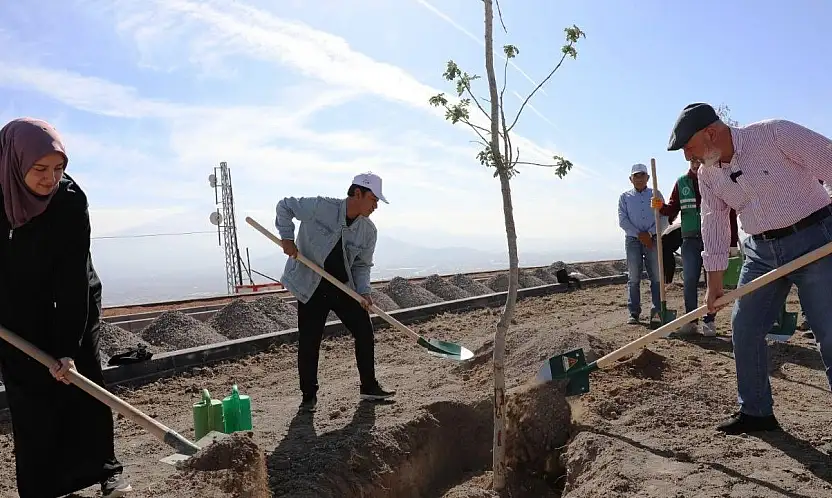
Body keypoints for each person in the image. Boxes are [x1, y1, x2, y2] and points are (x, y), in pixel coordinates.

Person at [667, 102, 832, 435]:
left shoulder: (774, 134)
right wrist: (714, 284)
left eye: (689, 148)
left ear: (710, 132)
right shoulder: (707, 174)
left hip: (815, 240)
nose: (689, 158)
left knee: (829, 333)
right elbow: (713, 226)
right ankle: (756, 412)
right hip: (760, 252)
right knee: (744, 327)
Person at [0, 118, 131, 497]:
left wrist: (67, 349)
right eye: (39, 169)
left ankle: (106, 470)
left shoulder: (70, 201)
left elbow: (73, 280)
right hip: (14, 299)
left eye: (58, 169)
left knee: (83, 379)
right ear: (14, 162)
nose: (50, 179)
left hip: (70, 294)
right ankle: (42, 486)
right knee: (28, 392)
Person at [275, 172, 395, 412]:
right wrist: (287, 237)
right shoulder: (321, 207)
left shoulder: (368, 231)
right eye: (373, 199)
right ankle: (308, 396)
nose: (376, 206)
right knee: (310, 340)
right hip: (312, 284)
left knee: (364, 330)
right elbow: (285, 206)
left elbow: (361, 265)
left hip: (343, 286)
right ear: (357, 193)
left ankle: (369, 387)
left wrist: (363, 291)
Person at [651, 160, 740, 336]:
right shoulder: (682, 182)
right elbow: (672, 209)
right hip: (690, 239)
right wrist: (660, 207)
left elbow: (729, 212)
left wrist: (732, 242)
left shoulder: (716, 180)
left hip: (713, 238)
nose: (695, 164)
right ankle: (691, 321)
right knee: (690, 281)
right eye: (693, 161)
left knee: (712, 283)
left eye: (699, 161)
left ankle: (710, 322)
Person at [618, 163, 664, 326]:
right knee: (634, 276)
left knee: (657, 276)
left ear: (648, 177)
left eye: (642, 175)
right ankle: (634, 313)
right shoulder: (624, 197)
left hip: (653, 239)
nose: (639, 179)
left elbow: (663, 217)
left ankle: (658, 311)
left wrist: (650, 233)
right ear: (631, 179)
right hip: (632, 240)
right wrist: (639, 234)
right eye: (635, 176)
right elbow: (623, 220)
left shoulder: (656, 194)